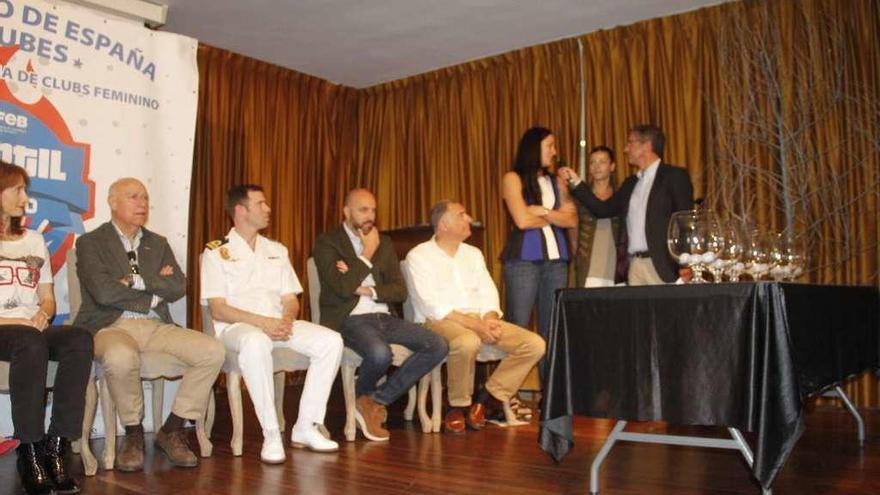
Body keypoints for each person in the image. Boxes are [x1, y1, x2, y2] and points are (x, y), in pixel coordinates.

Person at [74, 178, 225, 472]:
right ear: (112, 202)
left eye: (145, 198)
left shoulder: (158, 243)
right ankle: (132, 434)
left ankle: (172, 428)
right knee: (120, 356)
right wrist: (153, 297)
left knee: (212, 350)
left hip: (156, 327)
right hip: (109, 326)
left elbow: (178, 285)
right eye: (133, 197)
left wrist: (137, 281)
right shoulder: (91, 242)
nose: (142, 203)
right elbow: (103, 292)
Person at [201, 184, 343, 463]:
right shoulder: (216, 252)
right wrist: (264, 323)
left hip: (277, 323)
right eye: (261, 204)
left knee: (331, 341)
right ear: (241, 211)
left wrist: (287, 319)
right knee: (255, 342)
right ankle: (271, 433)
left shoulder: (276, 249)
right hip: (237, 327)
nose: (268, 209)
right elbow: (218, 309)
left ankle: (306, 426)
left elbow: (290, 298)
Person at [312, 188, 447, 442]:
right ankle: (369, 402)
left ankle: (372, 400)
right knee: (380, 353)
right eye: (363, 210)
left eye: (373, 210)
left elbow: (399, 291)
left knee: (437, 344)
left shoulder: (384, 242)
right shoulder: (327, 242)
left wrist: (367, 289)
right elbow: (341, 289)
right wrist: (366, 254)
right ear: (347, 211)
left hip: (383, 316)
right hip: (349, 318)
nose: (370, 216)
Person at [405, 200, 545, 433]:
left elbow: (487, 290)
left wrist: (489, 319)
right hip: (440, 321)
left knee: (534, 344)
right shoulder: (419, 255)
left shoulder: (473, 253)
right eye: (462, 215)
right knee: (467, 341)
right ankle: (457, 406)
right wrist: (476, 326)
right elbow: (431, 305)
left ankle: (487, 397)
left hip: (479, 319)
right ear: (443, 224)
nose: (469, 218)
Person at [0, 161, 93, 494]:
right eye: (18, 190)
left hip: (28, 329)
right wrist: (22, 322)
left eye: (25, 190)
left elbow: (48, 298)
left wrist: (44, 313)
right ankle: (28, 448)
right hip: (5, 328)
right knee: (29, 339)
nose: (25, 198)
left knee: (78, 339)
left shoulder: (34, 240)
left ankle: (56, 444)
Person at [560, 125, 693, 285]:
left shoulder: (674, 176)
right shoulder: (631, 183)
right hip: (634, 266)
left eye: (630, 143)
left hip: (663, 267)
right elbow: (603, 210)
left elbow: (685, 223)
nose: (625, 149)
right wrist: (576, 183)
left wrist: (685, 263)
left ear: (646, 146)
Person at [500, 127, 577, 342]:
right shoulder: (512, 178)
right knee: (519, 326)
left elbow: (571, 220)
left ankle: (549, 377)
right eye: (549, 146)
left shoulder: (558, 182)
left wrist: (542, 211)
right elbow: (522, 221)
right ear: (534, 148)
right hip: (523, 263)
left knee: (552, 330)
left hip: (557, 263)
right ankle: (513, 377)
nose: (554, 152)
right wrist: (556, 216)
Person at [574, 146, 625, 287]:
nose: (596, 166)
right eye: (592, 162)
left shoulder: (621, 195)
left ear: (612, 166)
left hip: (615, 267)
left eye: (602, 162)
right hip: (587, 264)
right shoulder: (579, 196)